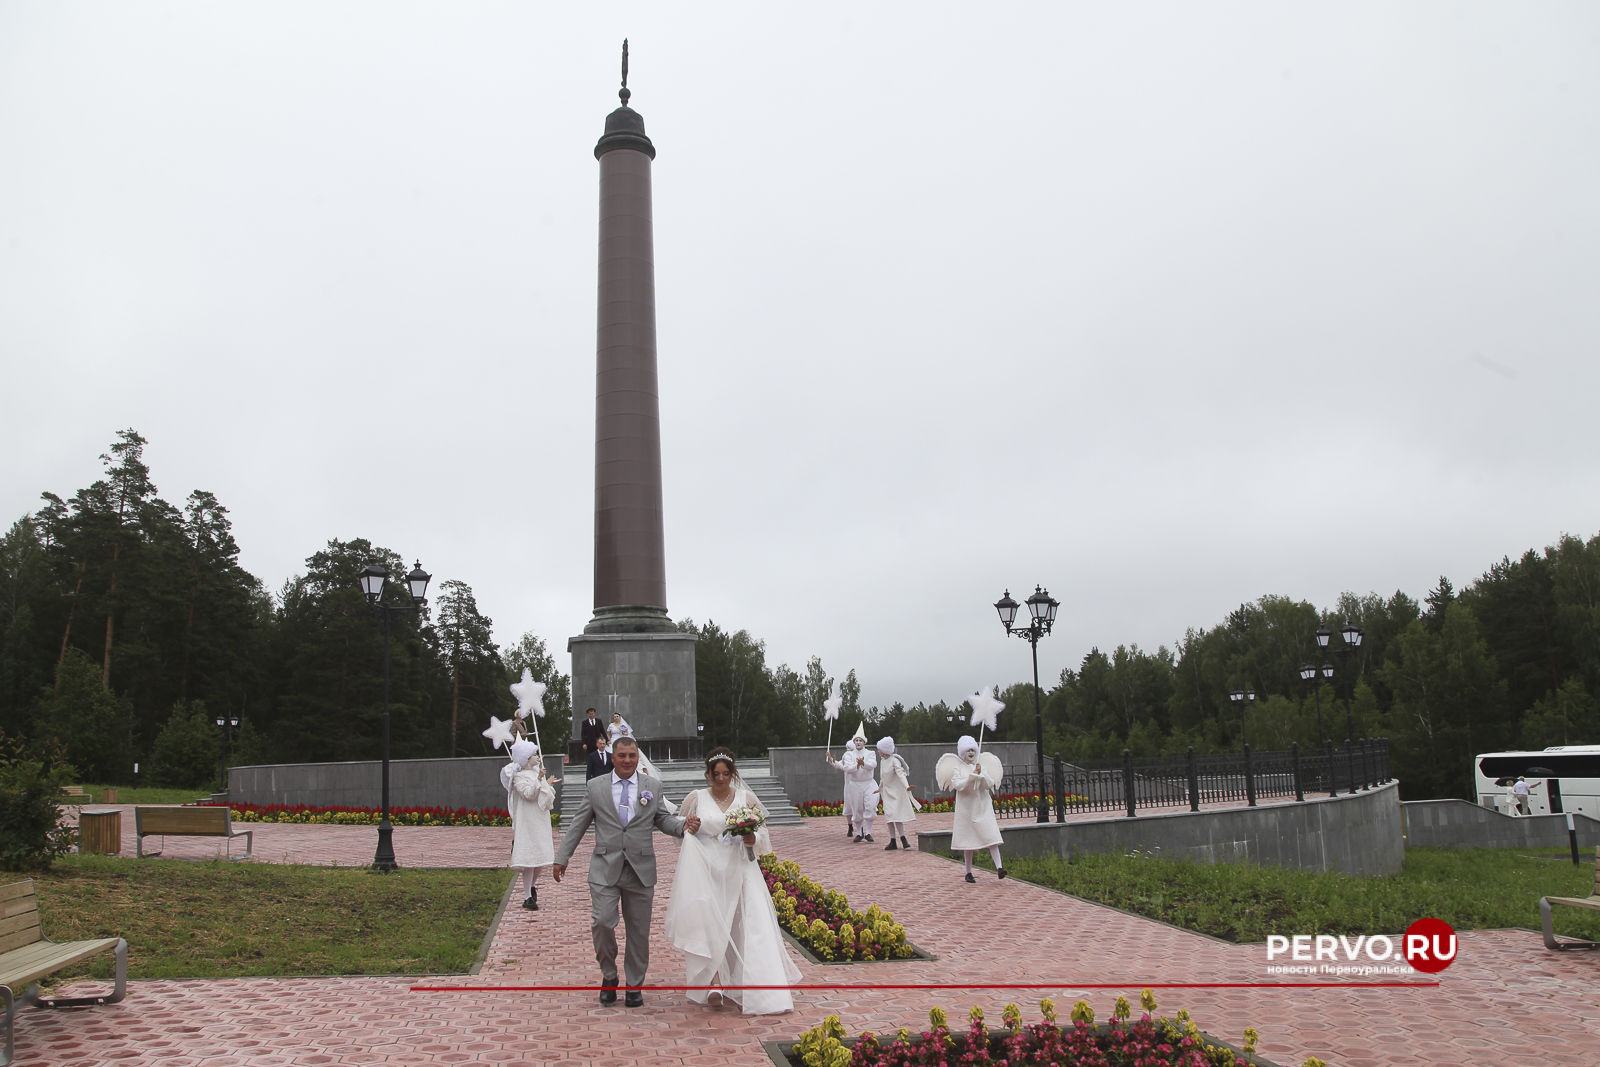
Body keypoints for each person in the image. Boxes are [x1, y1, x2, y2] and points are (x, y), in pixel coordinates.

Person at [552, 735, 699, 1007]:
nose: (627, 760)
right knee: (602, 923)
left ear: (637, 757)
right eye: (622, 756)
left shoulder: (652, 786)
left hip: (640, 870)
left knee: (638, 931)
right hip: (604, 869)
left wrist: (682, 826)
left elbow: (662, 819)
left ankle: (634, 985)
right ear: (612, 758)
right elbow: (578, 824)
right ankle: (609, 976)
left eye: (632, 756)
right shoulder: (595, 787)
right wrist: (562, 857)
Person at [664, 748, 800, 1015]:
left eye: (726, 774)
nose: (722, 779)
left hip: (739, 867)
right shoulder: (696, 798)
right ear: (708, 774)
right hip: (705, 867)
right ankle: (713, 981)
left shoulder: (746, 798)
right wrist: (687, 826)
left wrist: (754, 839)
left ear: (733, 773)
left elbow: (763, 834)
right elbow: (679, 831)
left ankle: (753, 984)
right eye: (716, 775)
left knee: (746, 923)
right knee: (709, 921)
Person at [938, 735, 1006, 882]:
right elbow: (958, 785)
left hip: (982, 807)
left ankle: (999, 868)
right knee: (968, 841)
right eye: (967, 750)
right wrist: (971, 776)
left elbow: (989, 784)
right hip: (967, 810)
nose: (971, 753)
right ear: (963, 753)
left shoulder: (981, 767)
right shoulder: (958, 769)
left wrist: (981, 774)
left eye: (973, 750)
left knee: (991, 836)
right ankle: (968, 872)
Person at [502, 738, 558, 910]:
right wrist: (540, 779)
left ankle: (531, 887)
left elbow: (546, 795)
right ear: (526, 758)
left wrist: (546, 783)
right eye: (534, 755)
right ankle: (528, 897)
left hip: (540, 820)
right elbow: (529, 794)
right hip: (528, 822)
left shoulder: (535, 774)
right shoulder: (518, 777)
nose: (537, 758)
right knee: (529, 859)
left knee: (541, 858)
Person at [826, 735, 878, 842]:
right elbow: (847, 768)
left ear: (864, 742)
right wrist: (857, 765)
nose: (858, 742)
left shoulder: (870, 753)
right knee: (857, 807)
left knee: (871, 805)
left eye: (860, 740)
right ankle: (859, 833)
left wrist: (863, 763)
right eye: (856, 740)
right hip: (855, 784)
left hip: (868, 783)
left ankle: (868, 832)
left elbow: (872, 765)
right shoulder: (849, 754)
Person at [876, 736, 919, 851]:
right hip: (886, 793)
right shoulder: (882, 761)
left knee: (896, 816)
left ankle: (903, 839)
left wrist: (907, 786)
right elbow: (883, 778)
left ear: (885, 750)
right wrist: (879, 788)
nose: (878, 751)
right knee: (889, 817)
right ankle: (893, 840)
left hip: (896, 793)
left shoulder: (894, 760)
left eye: (880, 749)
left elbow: (901, 774)